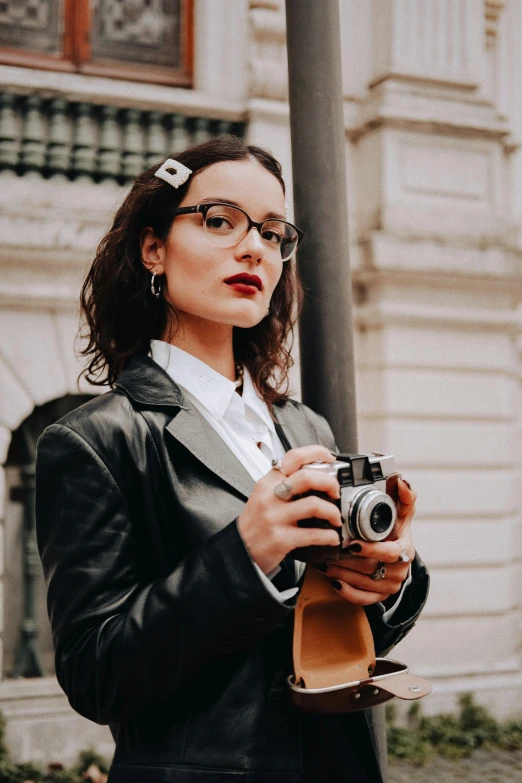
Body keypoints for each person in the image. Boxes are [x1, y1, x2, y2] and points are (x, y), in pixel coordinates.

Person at [36, 135, 429, 783]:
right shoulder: (95, 441)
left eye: (275, 234)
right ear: (153, 246)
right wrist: (242, 555)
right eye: (220, 220)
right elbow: (95, 674)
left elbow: (332, 642)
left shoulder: (303, 425)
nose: (255, 248)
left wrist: (387, 579)